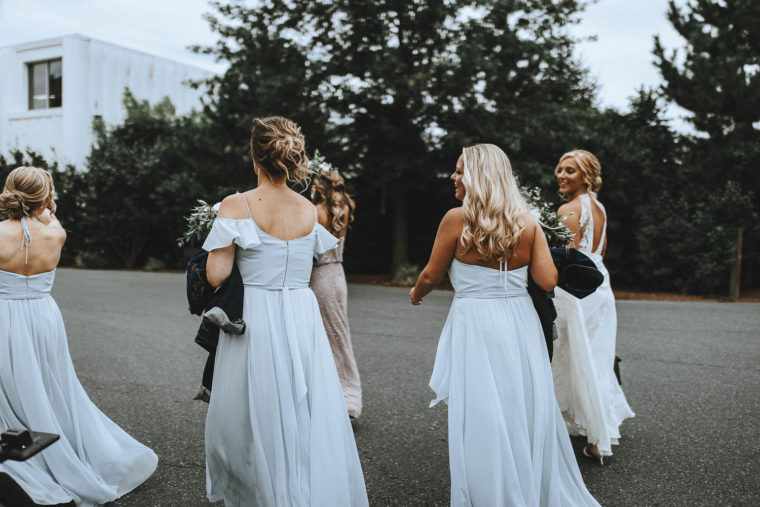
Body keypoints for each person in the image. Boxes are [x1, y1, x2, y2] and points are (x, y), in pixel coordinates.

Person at [410, 144, 600, 506]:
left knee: (481, 406)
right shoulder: (527, 222)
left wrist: (416, 293)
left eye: (459, 171)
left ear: (478, 176)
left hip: (475, 321)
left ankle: (491, 486)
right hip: (519, 320)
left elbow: (432, 274)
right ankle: (525, 479)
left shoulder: (456, 219)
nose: (453, 176)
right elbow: (547, 281)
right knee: (520, 401)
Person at [203, 117, 368, 506]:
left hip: (257, 313)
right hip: (300, 312)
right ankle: (303, 486)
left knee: (248, 409)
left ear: (255, 156)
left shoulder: (237, 205)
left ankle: (263, 490)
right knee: (300, 403)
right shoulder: (308, 209)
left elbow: (216, 275)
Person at [0, 167, 157, 506]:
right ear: (46, 197)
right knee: (48, 384)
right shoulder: (56, 233)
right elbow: (46, 219)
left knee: (10, 385)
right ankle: (55, 446)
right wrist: (46, 210)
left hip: (4, 316)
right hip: (43, 317)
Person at [551, 149, 634, 463]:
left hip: (577, 289)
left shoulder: (569, 209)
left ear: (586, 176)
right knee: (595, 357)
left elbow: (566, 259)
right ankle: (597, 430)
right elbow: (601, 250)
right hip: (600, 283)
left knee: (576, 355)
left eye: (570, 170)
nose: (562, 175)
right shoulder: (599, 208)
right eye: (560, 169)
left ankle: (597, 438)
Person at [309, 170, 362, 422]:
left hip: (320, 276)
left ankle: (341, 399)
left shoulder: (315, 211)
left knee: (326, 338)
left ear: (321, 187)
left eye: (314, 184)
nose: (312, 188)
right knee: (339, 336)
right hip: (338, 275)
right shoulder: (344, 208)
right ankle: (344, 396)